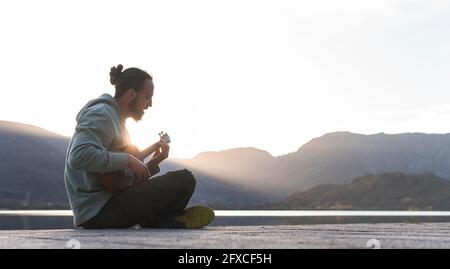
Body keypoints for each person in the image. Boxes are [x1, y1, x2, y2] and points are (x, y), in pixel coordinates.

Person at [64, 64, 215, 229]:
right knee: (184, 179)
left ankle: (158, 218)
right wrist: (128, 159)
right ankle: (160, 219)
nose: (149, 104)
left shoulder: (117, 121)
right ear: (131, 95)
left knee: (184, 180)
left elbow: (121, 180)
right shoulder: (101, 114)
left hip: (106, 206)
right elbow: (78, 156)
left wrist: (154, 162)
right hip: (99, 212)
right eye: (148, 97)